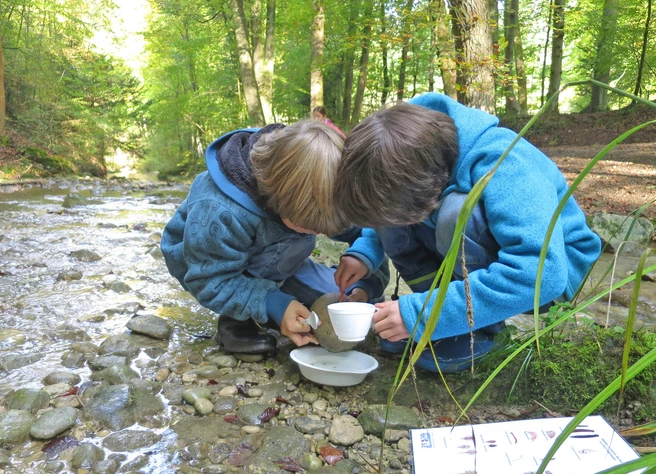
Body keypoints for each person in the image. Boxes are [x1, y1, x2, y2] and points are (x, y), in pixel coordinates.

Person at [333, 93, 601, 373]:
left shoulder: (506, 162)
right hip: (488, 256)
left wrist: (423, 315)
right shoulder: (409, 152)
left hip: (551, 273)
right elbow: (387, 211)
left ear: (426, 187)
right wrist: (365, 252)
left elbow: (543, 273)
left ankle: (476, 327)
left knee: (457, 213)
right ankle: (449, 319)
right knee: (403, 223)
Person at [160, 120, 389, 354]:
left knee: (346, 308)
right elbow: (209, 281)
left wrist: (363, 260)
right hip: (209, 264)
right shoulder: (220, 210)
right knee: (276, 303)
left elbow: (372, 229)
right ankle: (236, 320)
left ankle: (274, 296)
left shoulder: (325, 188)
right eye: (311, 227)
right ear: (277, 198)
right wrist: (274, 303)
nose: (320, 234)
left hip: (281, 255)